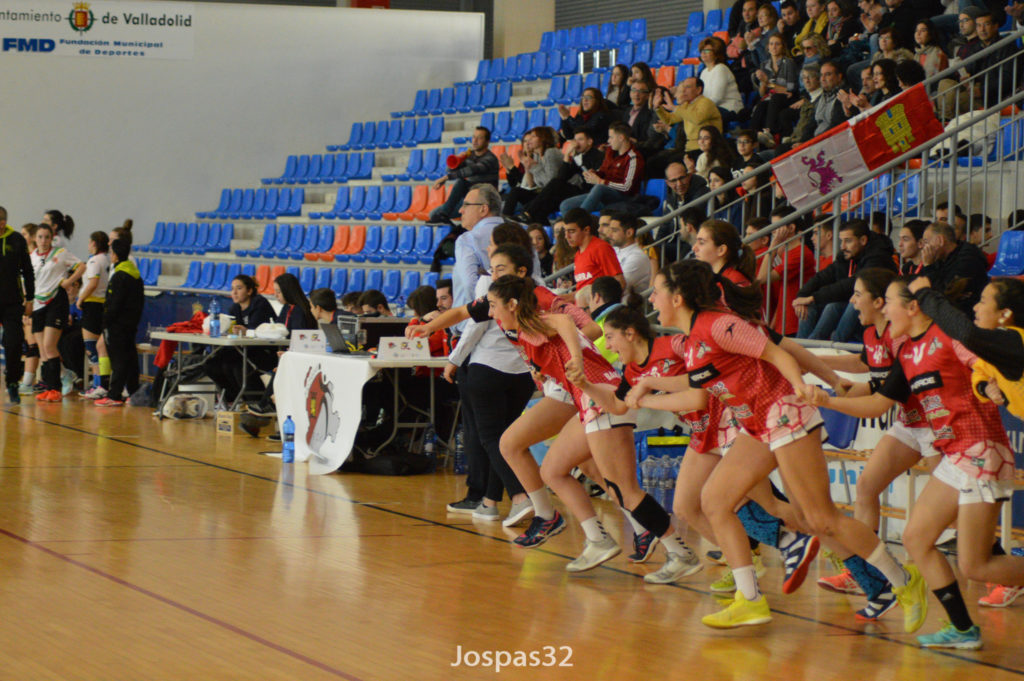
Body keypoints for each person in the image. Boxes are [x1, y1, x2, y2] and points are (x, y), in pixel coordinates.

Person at [631, 259, 924, 631]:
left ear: (678, 296)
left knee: (821, 518)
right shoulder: (692, 340)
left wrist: (805, 385)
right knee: (715, 501)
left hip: (784, 413)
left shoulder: (720, 324)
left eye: (657, 290)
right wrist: (649, 387)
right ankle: (750, 599)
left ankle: (902, 581)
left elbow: (778, 352)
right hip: (757, 424)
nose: (652, 298)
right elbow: (697, 388)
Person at [809, 277, 1024, 649]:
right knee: (916, 538)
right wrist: (826, 401)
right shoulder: (906, 353)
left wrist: (989, 387)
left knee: (975, 565)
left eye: (889, 302)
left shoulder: (951, 338)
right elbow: (878, 404)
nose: (884, 310)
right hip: (957, 454)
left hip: (981, 449)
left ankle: (963, 626)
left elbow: (984, 360)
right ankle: (962, 629)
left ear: (911, 307)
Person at [793, 218, 897, 341]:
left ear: (863, 240)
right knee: (810, 306)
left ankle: (831, 346)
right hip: (855, 305)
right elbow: (823, 276)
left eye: (847, 241)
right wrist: (802, 296)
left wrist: (814, 297)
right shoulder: (848, 254)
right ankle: (804, 346)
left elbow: (850, 285)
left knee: (845, 304)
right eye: (841, 241)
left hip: (876, 309)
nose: (842, 247)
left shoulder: (878, 257)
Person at [29, 223, 85, 402]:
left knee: (49, 345)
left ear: (51, 238)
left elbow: (81, 266)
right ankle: (49, 385)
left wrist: (68, 282)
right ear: (35, 239)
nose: (43, 241)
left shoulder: (60, 254)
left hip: (55, 302)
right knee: (42, 350)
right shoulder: (32, 257)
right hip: (37, 303)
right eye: (40, 237)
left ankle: (56, 388)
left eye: (47, 237)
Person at [204, 274, 275, 404]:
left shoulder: (259, 303)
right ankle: (234, 399)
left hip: (264, 352)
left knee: (238, 366)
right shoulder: (234, 308)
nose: (234, 293)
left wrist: (246, 331)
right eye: (232, 289)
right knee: (211, 364)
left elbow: (259, 332)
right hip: (243, 350)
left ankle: (257, 403)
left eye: (239, 288)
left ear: (249, 291)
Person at [514, 128, 604, 225]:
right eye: (575, 140)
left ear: (590, 142)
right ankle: (533, 219)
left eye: (580, 140)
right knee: (541, 208)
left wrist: (568, 155)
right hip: (575, 190)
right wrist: (567, 157)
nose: (576, 143)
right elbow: (562, 177)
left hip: (589, 192)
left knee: (554, 187)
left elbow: (558, 180)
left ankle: (527, 213)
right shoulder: (578, 156)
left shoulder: (598, 156)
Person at [95, 238, 144, 407]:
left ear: (114, 255)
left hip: (117, 325)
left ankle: (114, 395)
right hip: (131, 324)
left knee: (118, 360)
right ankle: (133, 391)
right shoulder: (136, 275)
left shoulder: (118, 277)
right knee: (130, 358)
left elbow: (113, 304)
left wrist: (105, 322)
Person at [755, 205, 816, 336]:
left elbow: (762, 278)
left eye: (777, 227)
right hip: (783, 322)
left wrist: (773, 244)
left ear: (791, 228)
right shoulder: (787, 253)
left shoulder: (799, 253)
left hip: (794, 322)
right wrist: (773, 324)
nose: (773, 232)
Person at [558, 123, 644, 215]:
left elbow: (627, 187)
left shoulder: (633, 158)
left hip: (623, 196)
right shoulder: (610, 152)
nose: (608, 140)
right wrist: (594, 174)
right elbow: (603, 171)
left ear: (621, 138)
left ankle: (580, 220)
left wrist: (601, 182)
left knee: (599, 188)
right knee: (565, 205)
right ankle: (578, 224)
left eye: (611, 137)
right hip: (604, 194)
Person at [428, 126, 499, 225]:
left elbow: (471, 170)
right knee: (433, 215)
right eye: (474, 137)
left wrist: (445, 178)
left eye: (479, 138)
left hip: (485, 200)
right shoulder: (469, 155)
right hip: (470, 198)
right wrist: (458, 160)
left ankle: (445, 214)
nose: (475, 141)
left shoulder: (490, 159)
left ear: (487, 142)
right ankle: (445, 218)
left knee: (461, 181)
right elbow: (450, 170)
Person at [0, 206, 34, 404]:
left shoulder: (16, 240)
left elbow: (28, 271)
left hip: (12, 302)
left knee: (13, 344)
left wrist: (30, 298)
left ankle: (12, 382)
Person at [919, 220, 989, 313]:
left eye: (926, 242)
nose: (923, 247)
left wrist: (928, 266)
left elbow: (945, 295)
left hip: (966, 313)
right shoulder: (939, 258)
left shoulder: (968, 259)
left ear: (940, 240)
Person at [503, 127, 567, 217]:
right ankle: (505, 218)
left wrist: (534, 167)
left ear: (543, 138)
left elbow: (552, 183)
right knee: (516, 192)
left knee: (528, 208)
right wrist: (528, 166)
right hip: (544, 193)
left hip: (560, 194)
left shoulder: (551, 152)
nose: (529, 140)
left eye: (533, 136)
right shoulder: (537, 155)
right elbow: (536, 183)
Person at [78, 232, 111, 399]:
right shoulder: (109, 259)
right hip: (105, 304)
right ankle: (102, 383)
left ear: (94, 243)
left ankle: (98, 385)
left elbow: (92, 283)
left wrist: (80, 299)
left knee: (92, 348)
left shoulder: (94, 260)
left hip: (92, 304)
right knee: (102, 347)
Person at [653, 78, 723, 153]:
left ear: (698, 90)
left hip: (706, 148)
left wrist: (674, 108)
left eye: (688, 87)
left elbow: (697, 118)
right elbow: (669, 120)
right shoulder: (686, 105)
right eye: (684, 87)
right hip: (689, 148)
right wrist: (658, 108)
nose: (683, 90)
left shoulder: (706, 102)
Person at [563, 208, 624, 293]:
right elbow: (581, 291)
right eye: (565, 231)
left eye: (571, 231)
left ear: (586, 230)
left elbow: (619, 283)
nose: (567, 236)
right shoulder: (578, 254)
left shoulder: (601, 248)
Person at [751, 34, 799, 138]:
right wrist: (763, 82)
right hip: (772, 98)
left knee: (775, 98)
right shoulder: (764, 65)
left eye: (777, 44)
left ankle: (770, 132)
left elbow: (791, 89)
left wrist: (768, 83)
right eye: (771, 44)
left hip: (787, 99)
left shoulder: (789, 63)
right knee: (761, 105)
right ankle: (753, 137)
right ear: (768, 47)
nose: (774, 47)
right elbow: (762, 93)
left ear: (783, 46)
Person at [698, 36, 744, 122]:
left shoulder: (721, 68)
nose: (703, 53)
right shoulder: (703, 72)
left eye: (707, 50)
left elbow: (717, 98)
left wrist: (700, 109)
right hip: (713, 108)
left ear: (716, 54)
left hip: (729, 108)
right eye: (702, 51)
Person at [605, 213, 651, 294]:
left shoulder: (637, 257)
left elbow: (616, 287)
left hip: (626, 305)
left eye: (614, 231)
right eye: (609, 230)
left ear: (629, 233)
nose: (609, 235)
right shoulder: (612, 250)